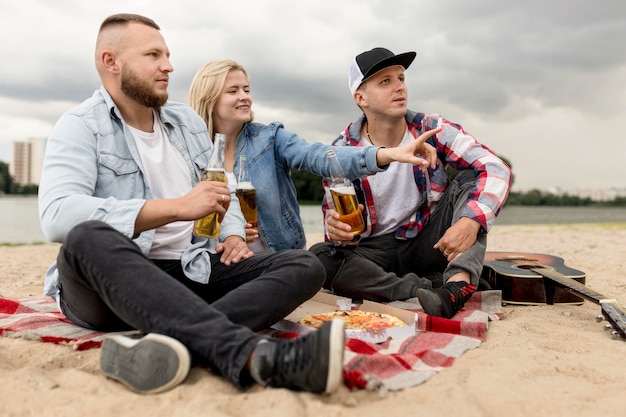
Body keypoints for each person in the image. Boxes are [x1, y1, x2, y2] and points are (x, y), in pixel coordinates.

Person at [37, 13, 346, 395]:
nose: (168, 65)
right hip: (109, 286)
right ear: (110, 62)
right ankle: (254, 356)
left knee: (303, 263)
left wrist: (232, 233)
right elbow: (55, 216)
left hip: (188, 271)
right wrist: (177, 208)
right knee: (85, 237)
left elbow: (223, 188)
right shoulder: (79, 125)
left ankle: (165, 346)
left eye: (167, 54)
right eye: (153, 55)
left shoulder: (186, 121)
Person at [310, 47, 513, 319]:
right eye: (385, 81)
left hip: (427, 241)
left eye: (401, 78)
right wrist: (337, 231)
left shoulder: (432, 129)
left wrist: (470, 221)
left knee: (472, 179)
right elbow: (337, 232)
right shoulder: (342, 151)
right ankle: (427, 287)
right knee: (320, 257)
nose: (399, 87)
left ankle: (457, 285)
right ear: (361, 98)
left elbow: (495, 167)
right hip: (375, 251)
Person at [188, 59, 439, 254]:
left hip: (279, 260)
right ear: (210, 98)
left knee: (314, 262)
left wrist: (388, 154)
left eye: (246, 89)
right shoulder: (189, 151)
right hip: (220, 260)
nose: (245, 96)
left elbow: (320, 157)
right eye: (233, 91)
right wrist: (228, 234)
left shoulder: (270, 138)